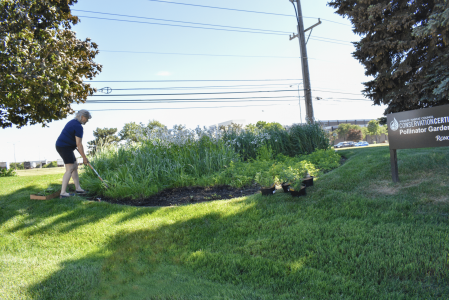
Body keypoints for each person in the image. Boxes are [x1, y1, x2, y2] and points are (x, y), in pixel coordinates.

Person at [55, 109, 91, 198]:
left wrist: (83, 156)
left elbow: (75, 143)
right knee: (70, 168)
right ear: (82, 117)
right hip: (64, 147)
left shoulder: (72, 122)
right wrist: (84, 158)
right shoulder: (78, 126)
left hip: (64, 146)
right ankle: (63, 193)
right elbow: (79, 144)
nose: (87, 121)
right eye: (87, 119)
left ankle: (78, 188)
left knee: (75, 165)